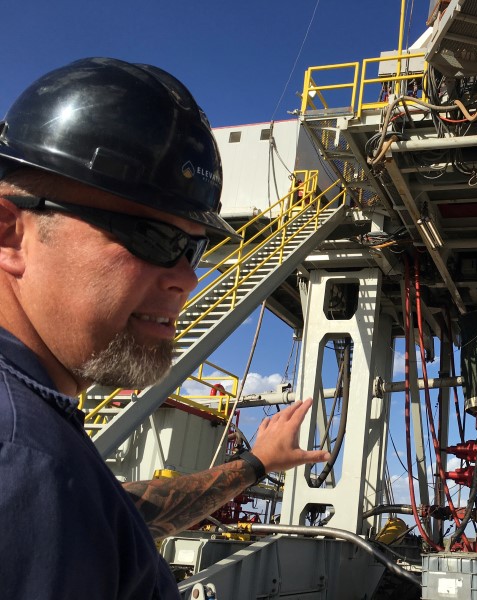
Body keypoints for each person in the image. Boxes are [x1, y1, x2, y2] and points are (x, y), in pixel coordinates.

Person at [0, 57, 330, 598]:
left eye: (193, 246)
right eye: (150, 237)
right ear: (11, 233)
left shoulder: (41, 439)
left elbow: (107, 512)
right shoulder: (21, 456)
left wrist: (253, 465)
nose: (186, 278)